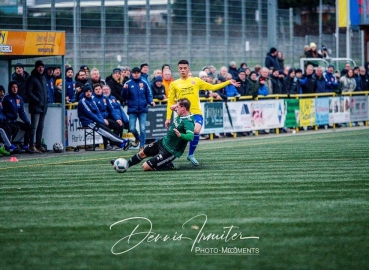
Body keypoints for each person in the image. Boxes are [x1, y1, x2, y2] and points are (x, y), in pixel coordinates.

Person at [166, 59, 240, 166]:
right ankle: (169, 159)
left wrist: (228, 82)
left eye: (185, 68)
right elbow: (170, 102)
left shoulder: (196, 80)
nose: (183, 70)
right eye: (181, 68)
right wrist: (168, 117)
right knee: (177, 137)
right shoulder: (174, 84)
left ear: (188, 69)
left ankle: (191, 154)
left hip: (196, 113)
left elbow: (213, 87)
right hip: (182, 116)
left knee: (196, 130)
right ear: (178, 69)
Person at [112, 98, 195, 171]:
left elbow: (190, 137)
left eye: (177, 107)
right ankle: (125, 165)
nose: (175, 108)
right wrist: (174, 107)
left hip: (170, 151)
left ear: (183, 109)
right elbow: (175, 108)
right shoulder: (182, 113)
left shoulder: (188, 122)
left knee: (145, 167)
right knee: (142, 153)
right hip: (163, 142)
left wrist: (181, 135)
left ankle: (166, 165)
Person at [77, 84, 131, 150]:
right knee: (105, 131)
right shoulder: (83, 101)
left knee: (117, 126)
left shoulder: (95, 99)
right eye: (87, 92)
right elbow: (90, 114)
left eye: (89, 91)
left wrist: (117, 119)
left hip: (98, 120)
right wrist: (102, 121)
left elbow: (98, 112)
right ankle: (121, 142)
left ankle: (119, 143)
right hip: (89, 122)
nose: (88, 93)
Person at [123, 67, 155, 150]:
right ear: (132, 74)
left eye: (138, 72)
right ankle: (137, 138)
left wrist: (151, 101)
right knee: (132, 128)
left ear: (140, 73)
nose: (136, 74)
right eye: (134, 73)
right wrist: (125, 90)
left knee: (143, 129)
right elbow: (124, 97)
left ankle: (142, 146)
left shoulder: (144, 83)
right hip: (132, 109)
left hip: (142, 109)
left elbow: (148, 94)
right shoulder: (128, 83)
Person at [3, 81, 34, 153]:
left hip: (14, 121)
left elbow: (22, 112)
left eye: (16, 87)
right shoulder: (6, 98)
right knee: (13, 128)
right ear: (10, 88)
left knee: (29, 127)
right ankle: (9, 146)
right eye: (13, 87)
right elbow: (2, 110)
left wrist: (27, 122)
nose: (15, 89)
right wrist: (5, 119)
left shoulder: (19, 99)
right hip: (7, 121)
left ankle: (25, 146)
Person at [26, 60, 49, 153]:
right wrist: (38, 100)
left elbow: (45, 91)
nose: (41, 69)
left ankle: (38, 145)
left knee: (41, 126)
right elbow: (29, 92)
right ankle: (31, 145)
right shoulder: (32, 78)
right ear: (36, 68)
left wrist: (46, 100)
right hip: (36, 106)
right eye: (39, 67)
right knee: (34, 127)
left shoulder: (43, 78)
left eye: (42, 67)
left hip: (43, 106)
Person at [92, 83, 123, 150]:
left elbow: (111, 110)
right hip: (97, 119)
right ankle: (106, 144)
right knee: (104, 126)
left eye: (99, 89)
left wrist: (117, 118)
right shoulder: (93, 99)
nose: (98, 90)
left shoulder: (105, 98)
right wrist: (102, 119)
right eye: (96, 89)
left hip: (106, 118)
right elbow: (95, 112)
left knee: (120, 124)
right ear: (94, 91)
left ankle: (113, 143)